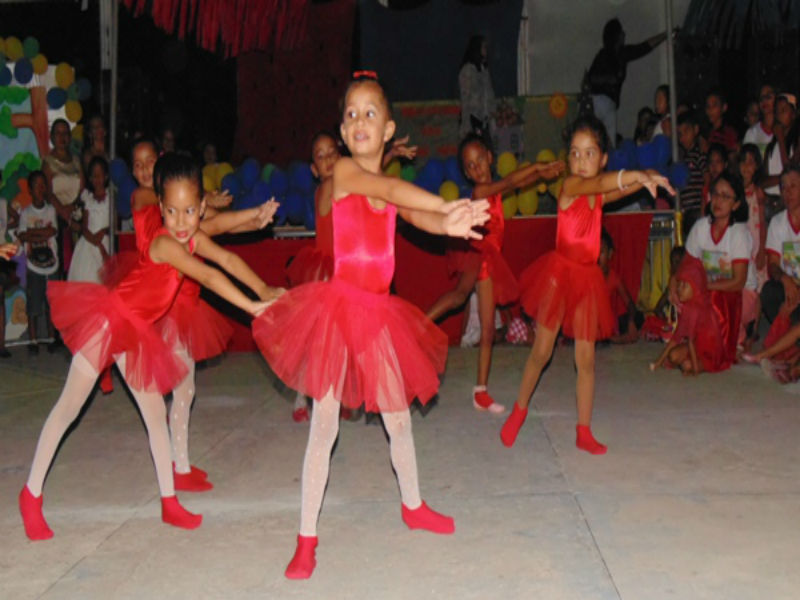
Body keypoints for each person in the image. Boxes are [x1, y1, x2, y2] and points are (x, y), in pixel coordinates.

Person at [252, 73, 491, 579]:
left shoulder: (386, 182)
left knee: (398, 420)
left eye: (371, 113)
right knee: (325, 426)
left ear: (388, 130)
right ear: (342, 131)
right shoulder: (342, 172)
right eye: (352, 114)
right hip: (340, 311)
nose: (361, 120)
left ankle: (413, 505)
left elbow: (407, 209)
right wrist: (443, 204)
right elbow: (389, 186)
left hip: (380, 313)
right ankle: (306, 538)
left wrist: (444, 222)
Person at [18, 153, 273, 541]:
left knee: (154, 415)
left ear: (200, 207)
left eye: (190, 211)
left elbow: (225, 258)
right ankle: (30, 495)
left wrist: (264, 289)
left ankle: (169, 502)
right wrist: (252, 307)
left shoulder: (191, 235)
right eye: (172, 211)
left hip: (134, 332)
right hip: (107, 325)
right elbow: (207, 273)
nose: (182, 222)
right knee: (67, 409)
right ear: (161, 207)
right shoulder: (165, 243)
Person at [499, 115, 674, 453]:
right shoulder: (570, 187)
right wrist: (636, 174)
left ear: (603, 158)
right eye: (575, 154)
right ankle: (519, 411)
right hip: (559, 275)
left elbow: (615, 188)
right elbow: (604, 184)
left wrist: (647, 178)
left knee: (586, 359)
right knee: (542, 351)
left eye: (589, 154)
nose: (580, 162)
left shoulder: (598, 191)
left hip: (587, 278)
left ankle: (583, 431)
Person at [129, 138, 280, 490]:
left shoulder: (180, 212)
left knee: (185, 389)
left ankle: (179, 465)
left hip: (184, 297)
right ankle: (174, 469)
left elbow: (215, 225)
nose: (143, 170)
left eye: (149, 162)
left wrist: (253, 217)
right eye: (137, 165)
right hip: (159, 303)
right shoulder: (145, 199)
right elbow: (187, 210)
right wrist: (203, 199)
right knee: (173, 389)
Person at [426, 132, 564, 413]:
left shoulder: (494, 189)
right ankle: (419, 326)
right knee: (460, 298)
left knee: (485, 326)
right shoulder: (480, 191)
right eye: (470, 166)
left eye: (480, 160)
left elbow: (517, 181)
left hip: (485, 257)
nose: (477, 168)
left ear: (490, 157)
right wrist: (539, 168)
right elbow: (514, 180)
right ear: (465, 172)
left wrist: (538, 175)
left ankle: (480, 391)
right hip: (479, 254)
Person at [684, 171, 753, 363]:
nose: (718, 201)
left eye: (725, 196)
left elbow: (739, 282)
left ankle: (736, 337)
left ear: (736, 204)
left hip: (742, 295)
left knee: (714, 299)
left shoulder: (738, 233)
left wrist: (704, 287)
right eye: (715, 194)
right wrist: (676, 284)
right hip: (709, 290)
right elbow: (687, 265)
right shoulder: (700, 227)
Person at [586, 19, 668, 148]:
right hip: (600, 101)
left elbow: (643, 48)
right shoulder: (605, 55)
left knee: (603, 142)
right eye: (622, 33)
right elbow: (591, 78)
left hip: (607, 103)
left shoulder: (620, 54)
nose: (625, 35)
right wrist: (610, 79)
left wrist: (665, 35)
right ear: (617, 36)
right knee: (601, 141)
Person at [650, 255, 729, 374]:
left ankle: (696, 364)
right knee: (673, 356)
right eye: (679, 285)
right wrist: (658, 362)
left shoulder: (696, 308)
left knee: (686, 365)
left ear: (695, 288)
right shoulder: (689, 305)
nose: (679, 289)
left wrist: (695, 370)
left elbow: (691, 341)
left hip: (710, 353)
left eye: (684, 286)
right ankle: (691, 362)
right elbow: (677, 337)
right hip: (696, 347)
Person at [17, 171, 60, 354]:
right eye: (37, 185)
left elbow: (52, 232)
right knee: (34, 304)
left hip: (52, 264)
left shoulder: (50, 210)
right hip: (33, 265)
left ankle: (51, 337)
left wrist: (33, 233)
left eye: (44, 185)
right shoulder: (26, 212)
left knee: (51, 303)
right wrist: (40, 232)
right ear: (30, 189)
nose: (41, 189)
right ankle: (33, 339)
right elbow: (22, 234)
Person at [42, 119, 83, 274]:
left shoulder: (76, 161)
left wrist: (73, 209)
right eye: (58, 133)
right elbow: (47, 192)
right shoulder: (48, 162)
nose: (62, 137)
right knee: (60, 258)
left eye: (65, 133)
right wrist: (63, 211)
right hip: (56, 215)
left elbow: (83, 189)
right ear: (52, 137)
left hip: (75, 212)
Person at [760, 164, 800, 325]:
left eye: (793, 186)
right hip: (790, 288)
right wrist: (785, 279)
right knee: (770, 291)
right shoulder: (778, 222)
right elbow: (773, 264)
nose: (787, 192)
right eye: (783, 187)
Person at [67, 156, 110, 283]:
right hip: (89, 244)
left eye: (100, 175)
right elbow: (84, 228)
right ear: (90, 178)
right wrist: (95, 242)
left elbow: (113, 223)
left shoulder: (111, 197)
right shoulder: (88, 198)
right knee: (87, 280)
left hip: (105, 241)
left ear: (106, 176)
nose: (97, 179)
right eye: (94, 176)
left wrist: (103, 233)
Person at [598, 230, 642, 344]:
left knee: (638, 318)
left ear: (610, 254)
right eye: (594, 252)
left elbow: (630, 303)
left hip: (607, 322)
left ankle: (612, 338)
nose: (597, 257)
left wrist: (631, 321)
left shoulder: (614, 277)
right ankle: (613, 339)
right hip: (590, 321)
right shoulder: (588, 274)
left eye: (601, 252)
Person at [458, 35, 496, 138]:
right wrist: (466, 125)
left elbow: (489, 92)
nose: (486, 51)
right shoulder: (468, 70)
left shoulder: (484, 69)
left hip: (484, 119)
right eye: (483, 47)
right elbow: (465, 98)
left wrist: (492, 111)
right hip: (473, 118)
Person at [677, 111, 708, 236]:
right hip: (687, 211)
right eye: (680, 134)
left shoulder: (698, 154)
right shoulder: (684, 158)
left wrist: (703, 206)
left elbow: (707, 178)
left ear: (695, 130)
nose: (683, 137)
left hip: (697, 209)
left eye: (686, 131)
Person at [704, 89, 739, 154]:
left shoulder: (729, 133)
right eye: (708, 106)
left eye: (714, 106)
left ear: (724, 107)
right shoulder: (705, 133)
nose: (710, 110)